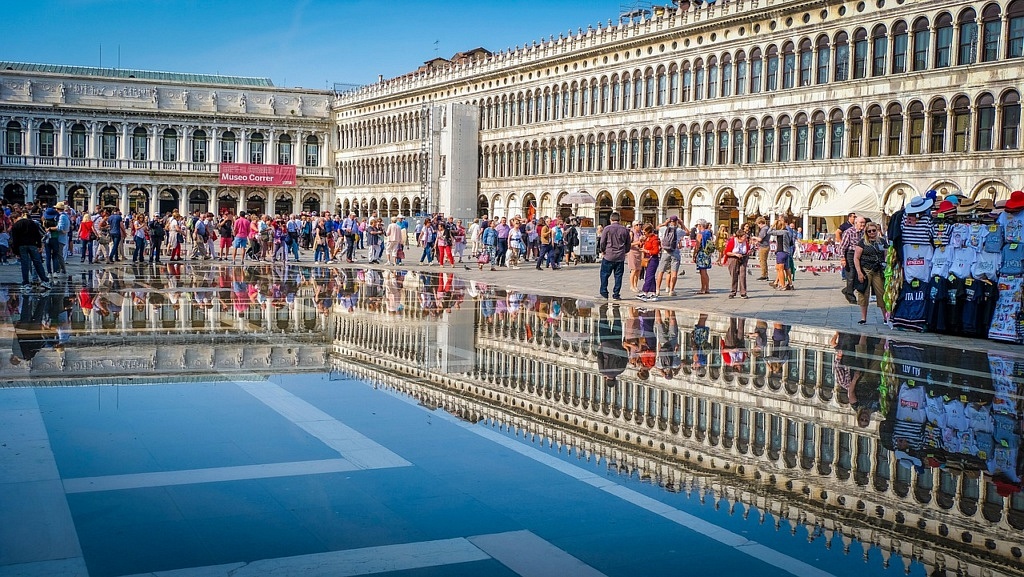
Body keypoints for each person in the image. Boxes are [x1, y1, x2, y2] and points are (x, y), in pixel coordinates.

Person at [853, 222, 889, 324]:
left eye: (874, 230)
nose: (872, 233)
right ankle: (863, 318)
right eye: (869, 231)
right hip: (866, 269)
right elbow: (856, 258)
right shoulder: (862, 242)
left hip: (878, 270)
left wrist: (886, 266)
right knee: (864, 293)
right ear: (866, 232)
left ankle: (886, 317)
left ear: (877, 231)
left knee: (881, 293)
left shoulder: (882, 241)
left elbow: (886, 254)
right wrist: (859, 272)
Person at [10, 212, 51, 292]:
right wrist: (39, 245)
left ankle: (26, 283)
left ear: (14, 219)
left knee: (25, 264)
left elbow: (15, 240)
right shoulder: (32, 223)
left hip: (22, 246)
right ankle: (44, 280)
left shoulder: (15, 226)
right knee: (37, 263)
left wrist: (16, 252)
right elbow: (37, 235)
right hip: (33, 245)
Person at [597, 212, 631, 300]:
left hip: (609, 255)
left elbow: (602, 242)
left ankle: (604, 293)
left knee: (604, 274)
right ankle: (616, 294)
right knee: (618, 276)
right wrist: (625, 251)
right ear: (619, 220)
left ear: (610, 219)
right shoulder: (625, 230)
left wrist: (602, 251)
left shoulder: (607, 229)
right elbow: (628, 244)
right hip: (620, 256)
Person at [655, 216, 686, 297]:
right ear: (676, 221)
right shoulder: (678, 230)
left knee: (661, 271)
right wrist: (681, 223)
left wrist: (665, 223)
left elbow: (657, 227)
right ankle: (671, 290)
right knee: (674, 273)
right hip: (675, 252)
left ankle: (657, 290)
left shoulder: (664, 229)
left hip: (665, 252)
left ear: (670, 221)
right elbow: (687, 232)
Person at [839, 216, 867, 303]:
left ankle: (847, 289)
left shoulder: (864, 232)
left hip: (860, 254)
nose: (862, 225)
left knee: (859, 275)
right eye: (861, 223)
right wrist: (843, 258)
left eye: (864, 223)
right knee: (851, 275)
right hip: (850, 254)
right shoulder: (849, 232)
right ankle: (850, 296)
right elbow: (842, 247)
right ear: (856, 223)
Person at [722, 228, 751, 298]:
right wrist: (735, 254)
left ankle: (743, 292)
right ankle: (733, 291)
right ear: (739, 237)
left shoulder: (745, 242)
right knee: (734, 275)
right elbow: (727, 252)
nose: (745, 238)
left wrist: (748, 252)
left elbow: (747, 249)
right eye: (744, 236)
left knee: (742, 275)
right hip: (733, 258)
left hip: (743, 258)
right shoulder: (732, 241)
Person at [638, 223, 661, 301]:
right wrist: (641, 242)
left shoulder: (654, 239)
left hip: (653, 259)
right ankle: (653, 293)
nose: (643, 234)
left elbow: (656, 251)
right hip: (647, 258)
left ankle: (645, 291)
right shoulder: (647, 239)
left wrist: (646, 250)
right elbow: (642, 246)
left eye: (644, 232)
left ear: (649, 231)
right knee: (651, 276)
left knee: (649, 276)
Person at [692, 220, 714, 294]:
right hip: (707, 253)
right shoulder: (708, 233)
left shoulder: (700, 234)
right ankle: (707, 288)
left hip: (701, 253)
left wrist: (694, 254)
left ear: (700, 225)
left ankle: (703, 289)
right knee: (705, 272)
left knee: (702, 272)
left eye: (697, 225)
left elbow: (697, 246)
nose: (697, 227)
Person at [627, 222, 644, 292]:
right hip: (632, 252)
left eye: (640, 225)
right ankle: (632, 286)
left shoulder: (641, 233)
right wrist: (637, 243)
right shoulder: (631, 233)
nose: (639, 226)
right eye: (638, 225)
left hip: (639, 252)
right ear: (634, 226)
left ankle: (636, 285)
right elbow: (628, 244)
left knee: (638, 269)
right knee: (633, 269)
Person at [753, 216, 771, 281]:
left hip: (764, 247)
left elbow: (760, 239)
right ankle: (765, 274)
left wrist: (754, 237)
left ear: (760, 223)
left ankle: (764, 275)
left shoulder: (764, 229)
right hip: (766, 246)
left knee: (762, 261)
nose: (758, 226)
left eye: (758, 224)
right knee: (764, 261)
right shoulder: (767, 228)